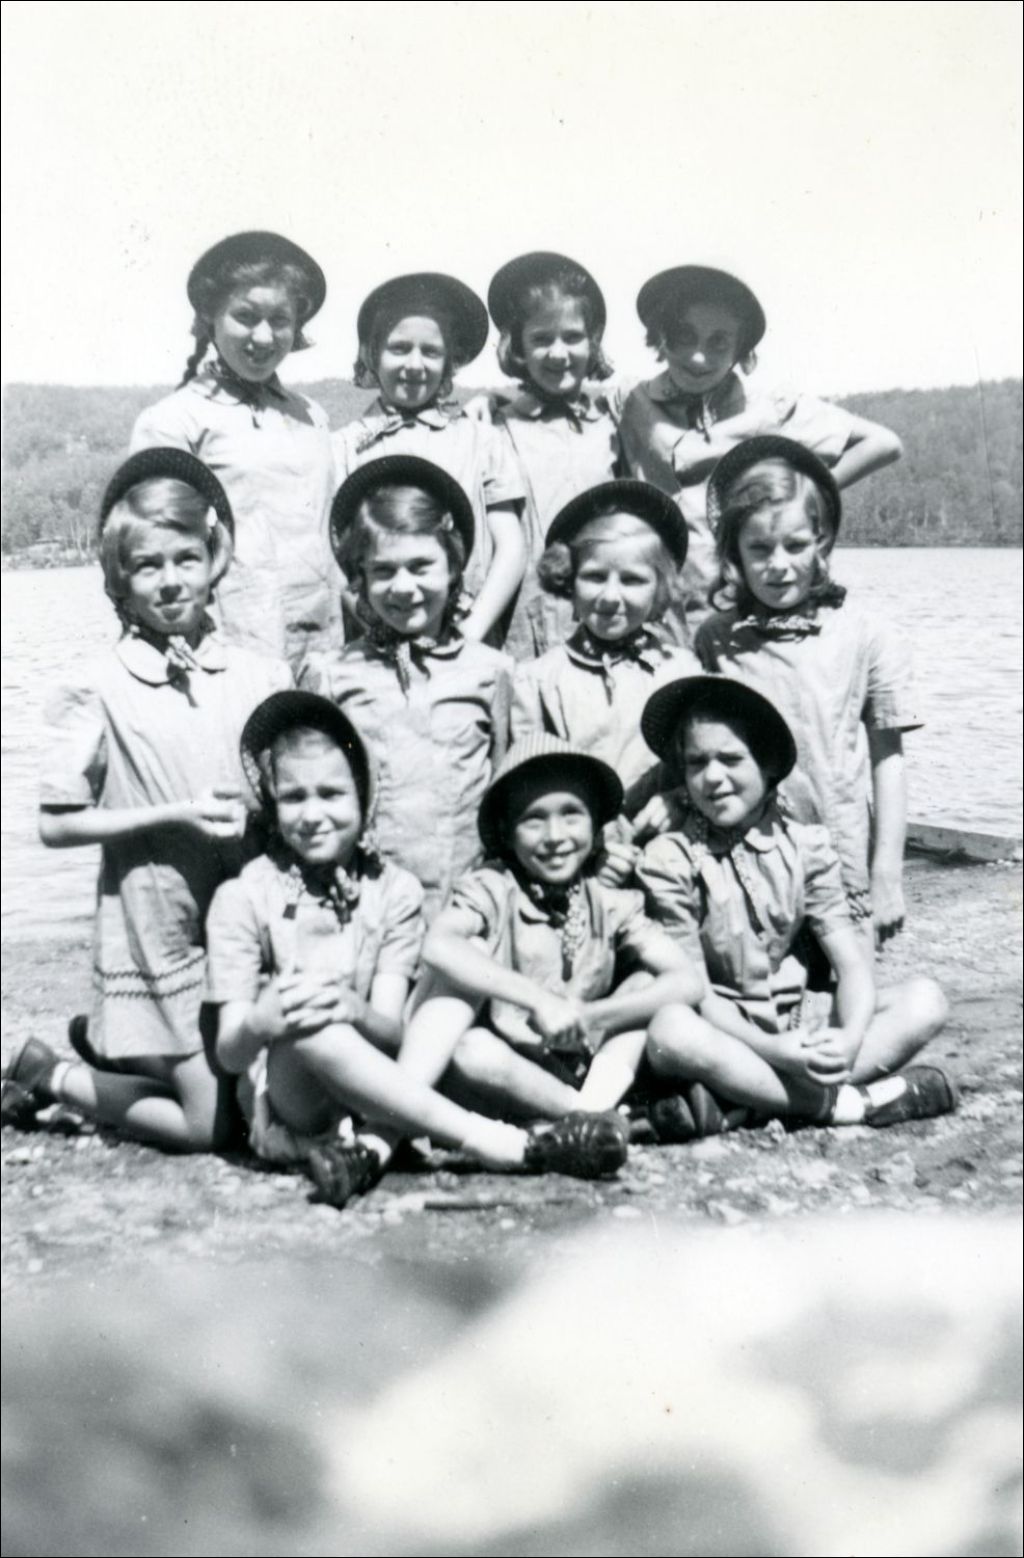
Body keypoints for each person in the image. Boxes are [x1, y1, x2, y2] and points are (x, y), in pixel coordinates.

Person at [206, 691, 630, 1207]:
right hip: (296, 1098)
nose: (312, 815)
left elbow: (391, 1031)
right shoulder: (243, 896)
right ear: (273, 805)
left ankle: (376, 1146)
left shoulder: (394, 890)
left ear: (364, 798)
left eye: (332, 794)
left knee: (458, 967)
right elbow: (230, 1053)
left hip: (379, 1085)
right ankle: (503, 1144)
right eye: (294, 798)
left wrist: (355, 1009)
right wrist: (261, 1020)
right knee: (309, 1025)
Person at [0, 449, 291, 1149]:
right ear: (119, 581)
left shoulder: (262, 674)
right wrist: (175, 814)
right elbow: (55, 826)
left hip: (247, 918)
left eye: (186, 559)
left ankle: (128, 1055)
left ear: (214, 561)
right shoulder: (97, 686)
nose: (170, 581)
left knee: (275, 1101)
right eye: (146, 566)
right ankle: (52, 1074)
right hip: (157, 919)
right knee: (208, 1128)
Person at [633, 674, 953, 1139]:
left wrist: (849, 1038)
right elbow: (696, 991)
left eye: (731, 759)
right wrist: (774, 1050)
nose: (713, 777)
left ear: (768, 767)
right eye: (697, 763)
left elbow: (852, 965)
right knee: (669, 1032)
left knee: (925, 1000)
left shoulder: (807, 846)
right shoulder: (669, 858)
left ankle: (747, 1100)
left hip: (800, 1020)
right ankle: (842, 1104)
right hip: (723, 1029)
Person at [400, 735, 703, 1125]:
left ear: (596, 826)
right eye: (534, 819)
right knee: (473, 1045)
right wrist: (539, 1001)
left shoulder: (607, 901)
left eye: (572, 815)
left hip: (574, 1072)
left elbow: (687, 981)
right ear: (507, 831)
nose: (555, 836)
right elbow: (439, 946)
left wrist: (593, 1015)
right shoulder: (493, 886)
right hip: (501, 1072)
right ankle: (595, 1119)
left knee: (645, 981)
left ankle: (586, 1116)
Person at [694, 436, 921, 947]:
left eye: (795, 546)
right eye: (759, 549)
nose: (778, 564)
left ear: (821, 541)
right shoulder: (715, 638)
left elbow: (889, 761)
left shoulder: (866, 635)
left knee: (851, 988)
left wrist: (886, 873)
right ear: (734, 552)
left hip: (840, 864)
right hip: (743, 863)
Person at [616, 265, 902, 628]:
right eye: (684, 336)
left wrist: (799, 497)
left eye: (718, 342)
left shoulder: (769, 410)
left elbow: (883, 443)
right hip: (653, 608)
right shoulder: (631, 401)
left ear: (740, 350)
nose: (699, 357)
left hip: (736, 608)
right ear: (661, 336)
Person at [301, 456, 513, 921]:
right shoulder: (332, 674)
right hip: (365, 905)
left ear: (452, 568)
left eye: (421, 567)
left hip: (466, 905)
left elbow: (507, 793)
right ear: (360, 576)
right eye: (383, 570)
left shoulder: (490, 671)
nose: (403, 587)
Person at [130, 230, 338, 670]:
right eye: (245, 316)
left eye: (279, 320)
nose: (263, 336)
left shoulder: (312, 416)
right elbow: (148, 547)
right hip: (232, 652)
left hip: (327, 649)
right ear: (211, 317)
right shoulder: (174, 422)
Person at [333, 272, 526, 644]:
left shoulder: (482, 441)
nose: (415, 365)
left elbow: (511, 547)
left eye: (431, 352)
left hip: (466, 641)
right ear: (372, 354)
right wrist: (377, 630)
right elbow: (332, 559)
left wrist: (470, 632)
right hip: (374, 644)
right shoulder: (342, 448)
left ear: (450, 361)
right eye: (399, 349)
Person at [510, 480, 700, 818]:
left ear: (659, 588)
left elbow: (704, 759)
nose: (611, 597)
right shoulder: (537, 681)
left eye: (632, 580)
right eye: (595, 577)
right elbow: (532, 786)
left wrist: (681, 797)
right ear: (568, 579)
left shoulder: (683, 672)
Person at [484, 251, 622, 659]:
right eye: (542, 339)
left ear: (592, 341)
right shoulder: (495, 428)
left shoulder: (613, 424)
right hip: (525, 630)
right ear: (519, 347)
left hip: (606, 617)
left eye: (572, 337)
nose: (558, 354)